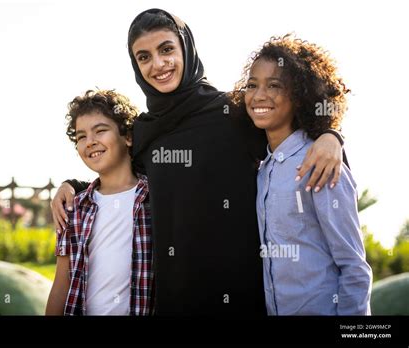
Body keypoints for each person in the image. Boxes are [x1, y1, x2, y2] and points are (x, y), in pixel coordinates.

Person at [51, 9, 344, 317]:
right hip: (173, 299)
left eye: (166, 50)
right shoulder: (144, 131)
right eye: (144, 57)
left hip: (242, 293)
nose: (158, 64)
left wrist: (331, 135)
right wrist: (73, 185)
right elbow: (117, 177)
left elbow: (300, 118)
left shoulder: (233, 113)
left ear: (185, 48)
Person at [232, 34, 372, 315]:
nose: (259, 95)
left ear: (299, 96)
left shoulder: (320, 163)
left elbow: (354, 268)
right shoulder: (262, 170)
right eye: (252, 85)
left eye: (274, 85)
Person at [45, 89, 154, 316]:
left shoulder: (155, 200)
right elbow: (61, 285)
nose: (90, 142)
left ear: (128, 136)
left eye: (100, 131)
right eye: (81, 136)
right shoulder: (73, 208)